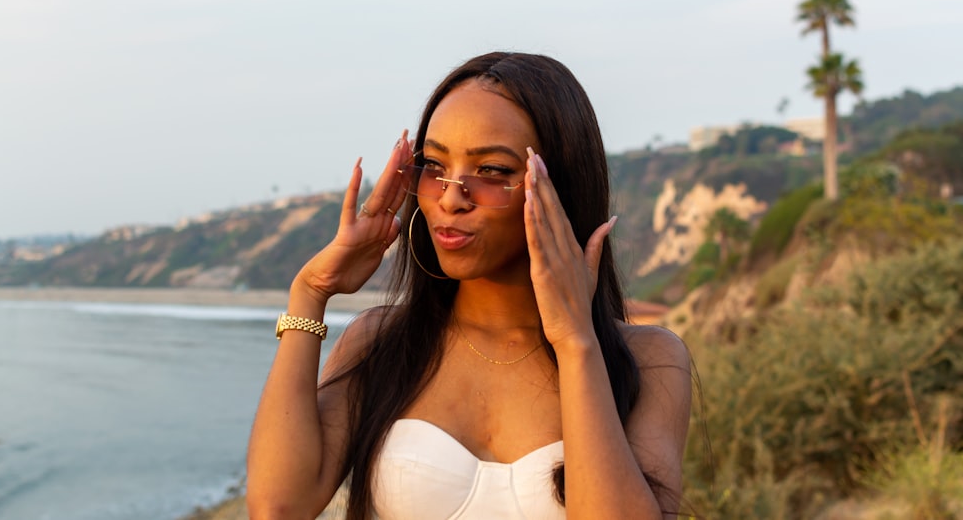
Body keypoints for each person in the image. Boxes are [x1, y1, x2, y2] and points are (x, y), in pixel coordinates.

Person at [247, 52, 692, 520]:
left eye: (492, 171)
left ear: (560, 186)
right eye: (435, 166)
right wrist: (311, 292)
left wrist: (576, 341)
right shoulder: (381, 344)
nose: (451, 197)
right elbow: (278, 507)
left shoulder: (648, 361)